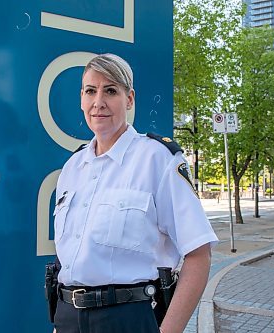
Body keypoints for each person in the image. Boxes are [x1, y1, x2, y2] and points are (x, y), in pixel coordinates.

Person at [52, 53, 218, 333]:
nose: (98, 102)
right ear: (81, 98)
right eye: (91, 91)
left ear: (129, 100)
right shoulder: (72, 167)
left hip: (128, 319)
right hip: (68, 317)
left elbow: (199, 255)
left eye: (111, 91)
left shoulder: (157, 159)